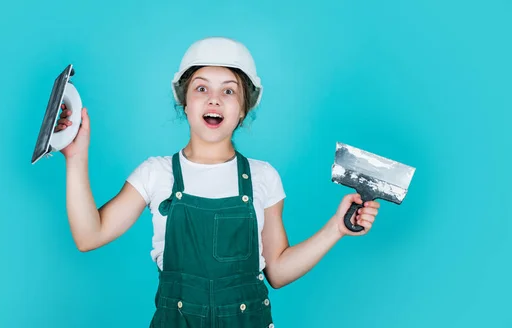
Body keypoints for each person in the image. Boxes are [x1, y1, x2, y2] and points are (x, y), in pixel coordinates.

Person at [55, 37, 381, 327]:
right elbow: (89, 235)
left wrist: (336, 228)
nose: (214, 100)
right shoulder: (155, 173)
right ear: (185, 103)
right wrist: (76, 157)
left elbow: (278, 272)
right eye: (201, 88)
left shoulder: (263, 176)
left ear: (242, 109)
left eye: (228, 91)